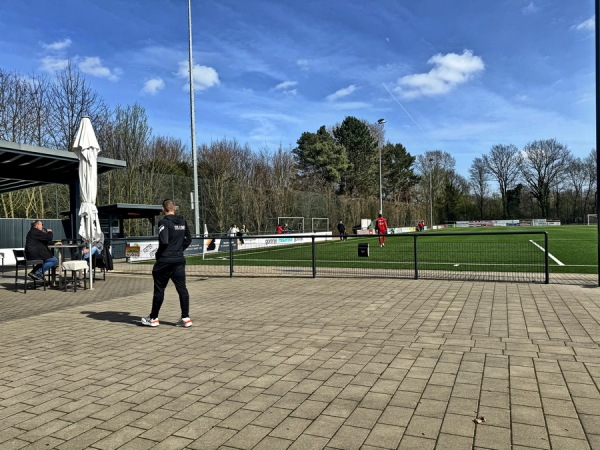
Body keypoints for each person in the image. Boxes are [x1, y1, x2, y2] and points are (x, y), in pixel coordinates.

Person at [142, 199, 192, 328]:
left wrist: (159, 254)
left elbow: (163, 241)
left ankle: (153, 318)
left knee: (159, 290)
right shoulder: (182, 221)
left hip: (165, 261)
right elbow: (189, 239)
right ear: (174, 208)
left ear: (163, 209)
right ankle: (186, 318)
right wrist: (179, 249)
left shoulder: (163, 222)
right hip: (179, 260)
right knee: (182, 289)